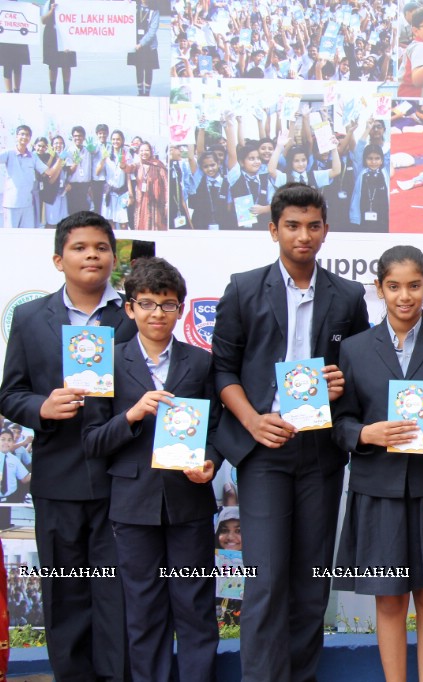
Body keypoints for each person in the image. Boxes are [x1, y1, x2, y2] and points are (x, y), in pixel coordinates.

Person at [210, 183, 369, 681]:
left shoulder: (348, 295)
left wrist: (342, 381)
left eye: (314, 225)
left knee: (310, 581)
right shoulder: (243, 288)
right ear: (273, 228)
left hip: (320, 451)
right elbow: (222, 371)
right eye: (293, 226)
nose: (304, 235)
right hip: (264, 448)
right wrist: (253, 420)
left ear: (326, 229)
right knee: (266, 580)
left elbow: (357, 369)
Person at [0, 211, 134, 681]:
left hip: (123, 480)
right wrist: (41, 406)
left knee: (116, 594)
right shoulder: (33, 317)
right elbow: (9, 394)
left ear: (114, 258)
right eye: (79, 248)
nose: (91, 255)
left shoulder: (134, 314)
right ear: (59, 259)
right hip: (59, 479)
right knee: (67, 592)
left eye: (100, 247)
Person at [333, 245, 423, 682]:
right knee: (390, 598)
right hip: (378, 490)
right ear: (379, 289)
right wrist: (363, 434)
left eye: (414, 285)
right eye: (394, 286)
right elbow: (339, 421)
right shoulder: (355, 349)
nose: (405, 295)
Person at [81, 257, 220, 682]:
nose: (157, 314)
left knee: (195, 606)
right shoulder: (105, 362)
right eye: (147, 304)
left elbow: (215, 429)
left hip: (189, 502)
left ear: (180, 309)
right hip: (132, 505)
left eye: (167, 304)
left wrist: (211, 461)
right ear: (129, 309)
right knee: (143, 611)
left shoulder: (200, 362)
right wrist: (132, 415)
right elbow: (91, 441)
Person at [1, 125, 59, 229]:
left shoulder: (33, 156)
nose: (24, 137)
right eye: (22, 134)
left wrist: (60, 160)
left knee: (27, 237)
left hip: (27, 205)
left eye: (27, 135)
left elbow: (49, 172)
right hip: (11, 204)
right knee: (11, 238)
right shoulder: (9, 153)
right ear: (16, 136)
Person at [95, 130, 131, 230]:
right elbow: (97, 172)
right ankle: (114, 245)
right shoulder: (106, 154)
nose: (116, 141)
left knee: (124, 224)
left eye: (118, 139)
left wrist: (130, 194)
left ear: (122, 140)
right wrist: (103, 159)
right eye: (113, 139)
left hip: (122, 193)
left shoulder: (127, 154)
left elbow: (128, 175)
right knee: (110, 223)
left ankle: (124, 245)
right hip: (109, 192)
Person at [128, 142, 168, 231]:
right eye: (141, 150)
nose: (144, 152)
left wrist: (167, 203)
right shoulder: (137, 165)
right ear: (138, 152)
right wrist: (122, 163)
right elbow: (127, 169)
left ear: (151, 151)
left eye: (146, 150)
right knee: (142, 225)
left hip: (157, 202)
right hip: (141, 201)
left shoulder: (158, 165)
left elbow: (166, 184)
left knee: (157, 226)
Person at [42, 0, 76, 94]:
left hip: (67, 34)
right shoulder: (49, 3)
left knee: (67, 63)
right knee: (52, 64)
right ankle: (52, 90)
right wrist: (52, 10)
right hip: (51, 34)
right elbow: (43, 20)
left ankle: (66, 91)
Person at [130, 0, 161, 96]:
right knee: (138, 68)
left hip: (148, 45)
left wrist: (141, 43)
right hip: (135, 43)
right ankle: (140, 92)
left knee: (148, 69)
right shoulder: (133, 7)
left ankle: (147, 93)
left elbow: (152, 31)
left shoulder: (155, 11)